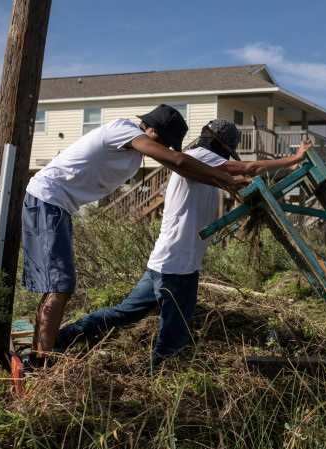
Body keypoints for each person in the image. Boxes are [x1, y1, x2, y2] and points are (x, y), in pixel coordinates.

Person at [55, 119, 313, 369]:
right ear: (220, 146)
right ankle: (160, 376)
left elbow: (245, 179)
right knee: (175, 333)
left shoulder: (202, 165)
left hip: (163, 261)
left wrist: (286, 172)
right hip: (179, 267)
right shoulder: (202, 158)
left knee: (124, 313)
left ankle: (63, 338)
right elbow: (251, 169)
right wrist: (296, 157)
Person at [22, 105, 249, 367]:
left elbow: (182, 165)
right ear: (151, 128)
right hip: (48, 198)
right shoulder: (123, 130)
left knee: (82, 294)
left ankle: (49, 350)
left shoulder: (134, 152)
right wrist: (227, 178)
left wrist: (223, 180)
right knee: (60, 285)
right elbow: (179, 160)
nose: (165, 147)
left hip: (60, 206)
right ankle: (40, 362)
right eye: (163, 141)